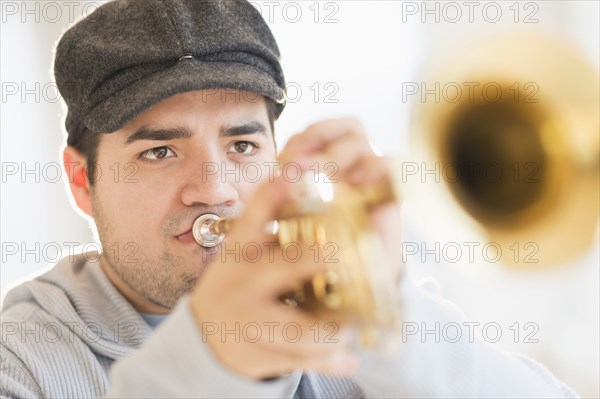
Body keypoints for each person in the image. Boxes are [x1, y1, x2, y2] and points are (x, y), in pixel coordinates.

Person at [0, 1, 577, 398]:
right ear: (82, 182)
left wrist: (391, 317)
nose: (217, 188)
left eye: (243, 144)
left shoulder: (343, 305)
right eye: (159, 152)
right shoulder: (20, 360)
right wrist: (215, 358)